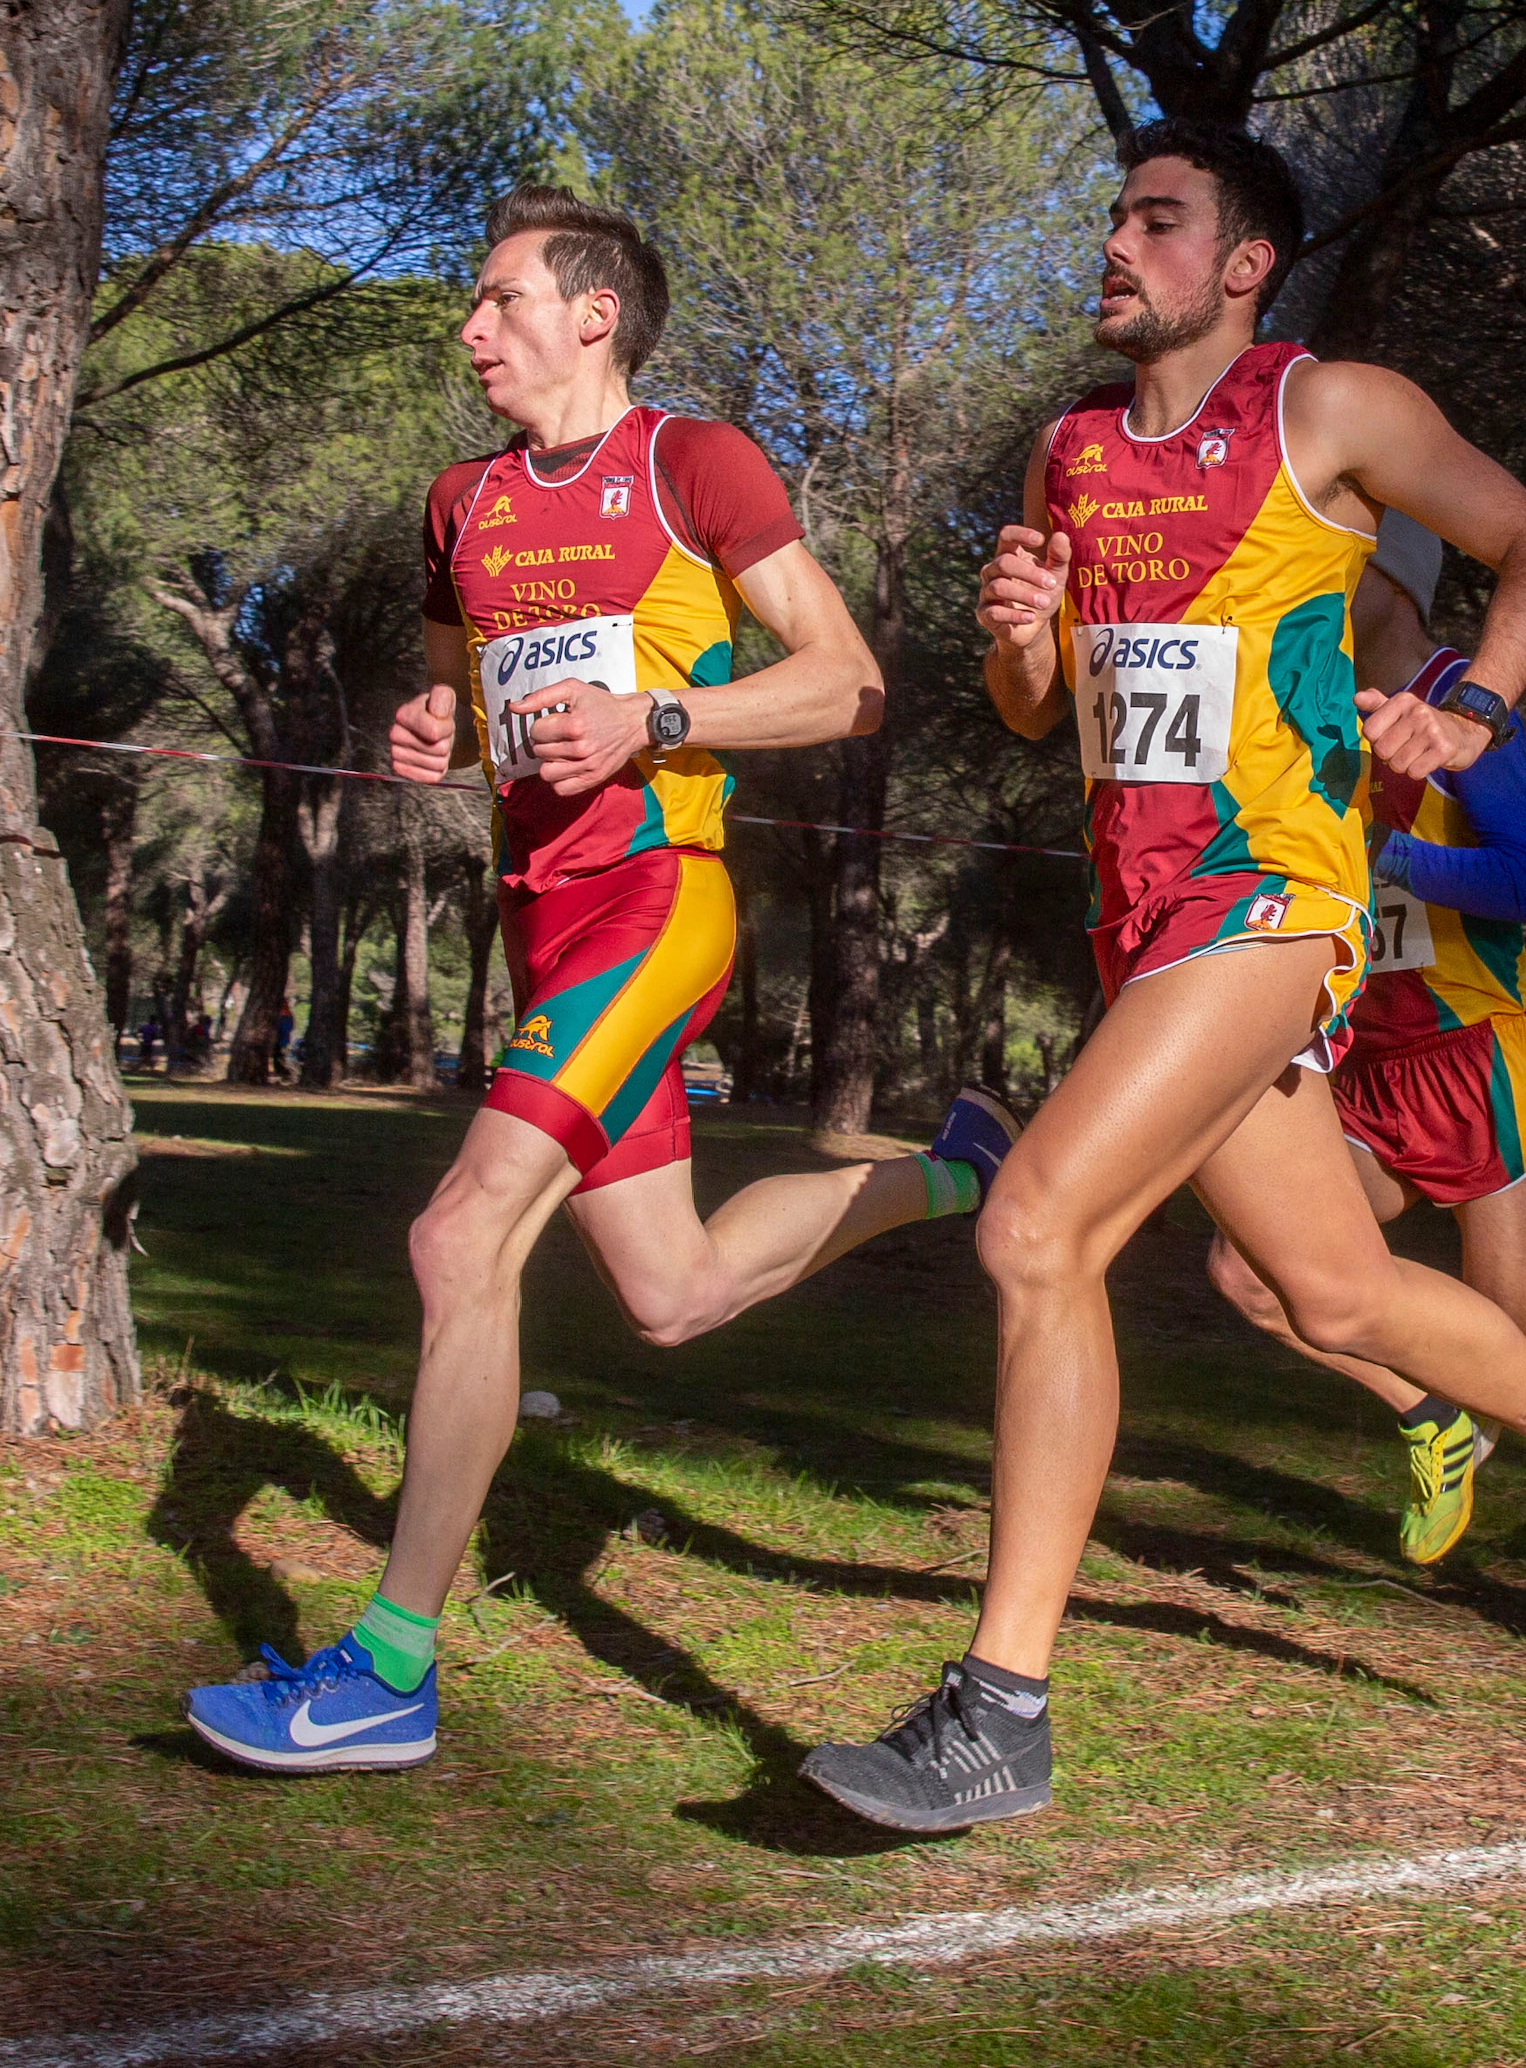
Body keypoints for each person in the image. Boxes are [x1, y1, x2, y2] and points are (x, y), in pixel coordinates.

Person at [797, 121, 1526, 1835]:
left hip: (1272, 903)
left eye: (1159, 217)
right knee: (1336, 1290)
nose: (1117, 242)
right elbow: (1035, 707)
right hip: (1144, 920)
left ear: (1243, 262)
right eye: (1114, 214)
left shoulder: (1329, 410)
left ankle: (1001, 1705)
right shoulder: (1069, 451)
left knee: (1035, 1227)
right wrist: (1011, 630)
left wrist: (1472, 709)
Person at [188, 191, 1011, 1779]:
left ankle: (387, 1667)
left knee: (457, 1232)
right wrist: (434, 736)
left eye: (499, 299)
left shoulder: (693, 465)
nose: (472, 326)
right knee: (673, 1289)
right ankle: (961, 1169)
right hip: (538, 920)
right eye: (473, 302)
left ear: (593, 315)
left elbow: (846, 679)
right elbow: (458, 702)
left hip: (657, 904)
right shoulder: (459, 502)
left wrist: (666, 721)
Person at [1200, 514, 1526, 1657]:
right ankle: (1427, 1413)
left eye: (1324, 566)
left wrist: (1382, 858)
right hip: (1363, 1067)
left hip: (1476, 1060)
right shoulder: (1308, 700)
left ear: (1381, 577)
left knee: (1524, 1357)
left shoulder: (1459, 704)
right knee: (1249, 1271)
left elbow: (1525, 880)